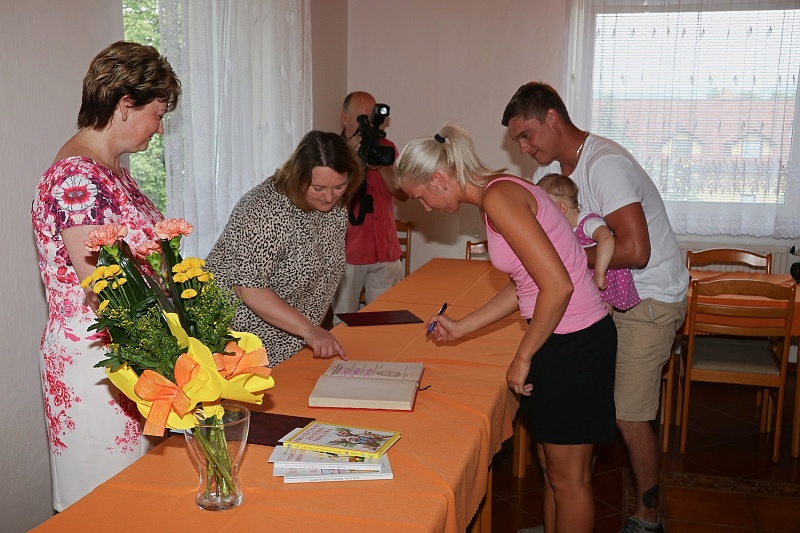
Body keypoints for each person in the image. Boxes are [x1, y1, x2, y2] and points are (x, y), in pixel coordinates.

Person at [394, 124, 618, 533]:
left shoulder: (500, 198)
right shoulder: (498, 193)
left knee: (569, 478)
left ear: (439, 178)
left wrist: (523, 355)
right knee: (552, 469)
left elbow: (558, 286)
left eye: (421, 196)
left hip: (575, 341)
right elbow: (526, 284)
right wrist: (461, 328)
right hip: (560, 336)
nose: (424, 207)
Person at [502, 81, 689, 533]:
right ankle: (566, 513)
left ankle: (647, 520)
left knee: (629, 414)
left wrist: (559, 261)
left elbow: (636, 250)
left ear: (552, 118)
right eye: (517, 140)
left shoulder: (604, 164)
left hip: (648, 299)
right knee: (581, 412)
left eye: (527, 135)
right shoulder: (555, 176)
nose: (523, 147)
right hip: (603, 299)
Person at [31, 41, 181, 511]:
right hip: (97, 363)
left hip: (127, 354)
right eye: (157, 114)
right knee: (106, 506)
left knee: (139, 499)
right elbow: (105, 288)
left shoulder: (111, 171)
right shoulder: (77, 179)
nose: (159, 127)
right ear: (125, 104)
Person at [205, 130, 363, 366]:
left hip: (292, 337)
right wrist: (309, 330)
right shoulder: (266, 209)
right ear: (298, 177)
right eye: (318, 188)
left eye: (339, 186)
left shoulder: (336, 207)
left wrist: (309, 329)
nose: (329, 197)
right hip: (240, 339)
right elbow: (248, 287)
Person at [331, 91, 407, 324]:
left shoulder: (386, 149)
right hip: (347, 251)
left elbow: (403, 194)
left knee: (384, 322)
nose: (368, 126)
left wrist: (382, 168)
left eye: (372, 119)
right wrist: (350, 161)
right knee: (344, 323)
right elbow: (327, 199)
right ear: (344, 119)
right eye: (361, 119)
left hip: (385, 248)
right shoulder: (332, 151)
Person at [537, 173, 640, 313]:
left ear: (561, 208)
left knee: (603, 306)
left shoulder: (588, 222)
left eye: (543, 212)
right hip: (586, 278)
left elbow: (606, 239)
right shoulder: (566, 227)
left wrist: (599, 273)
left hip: (605, 275)